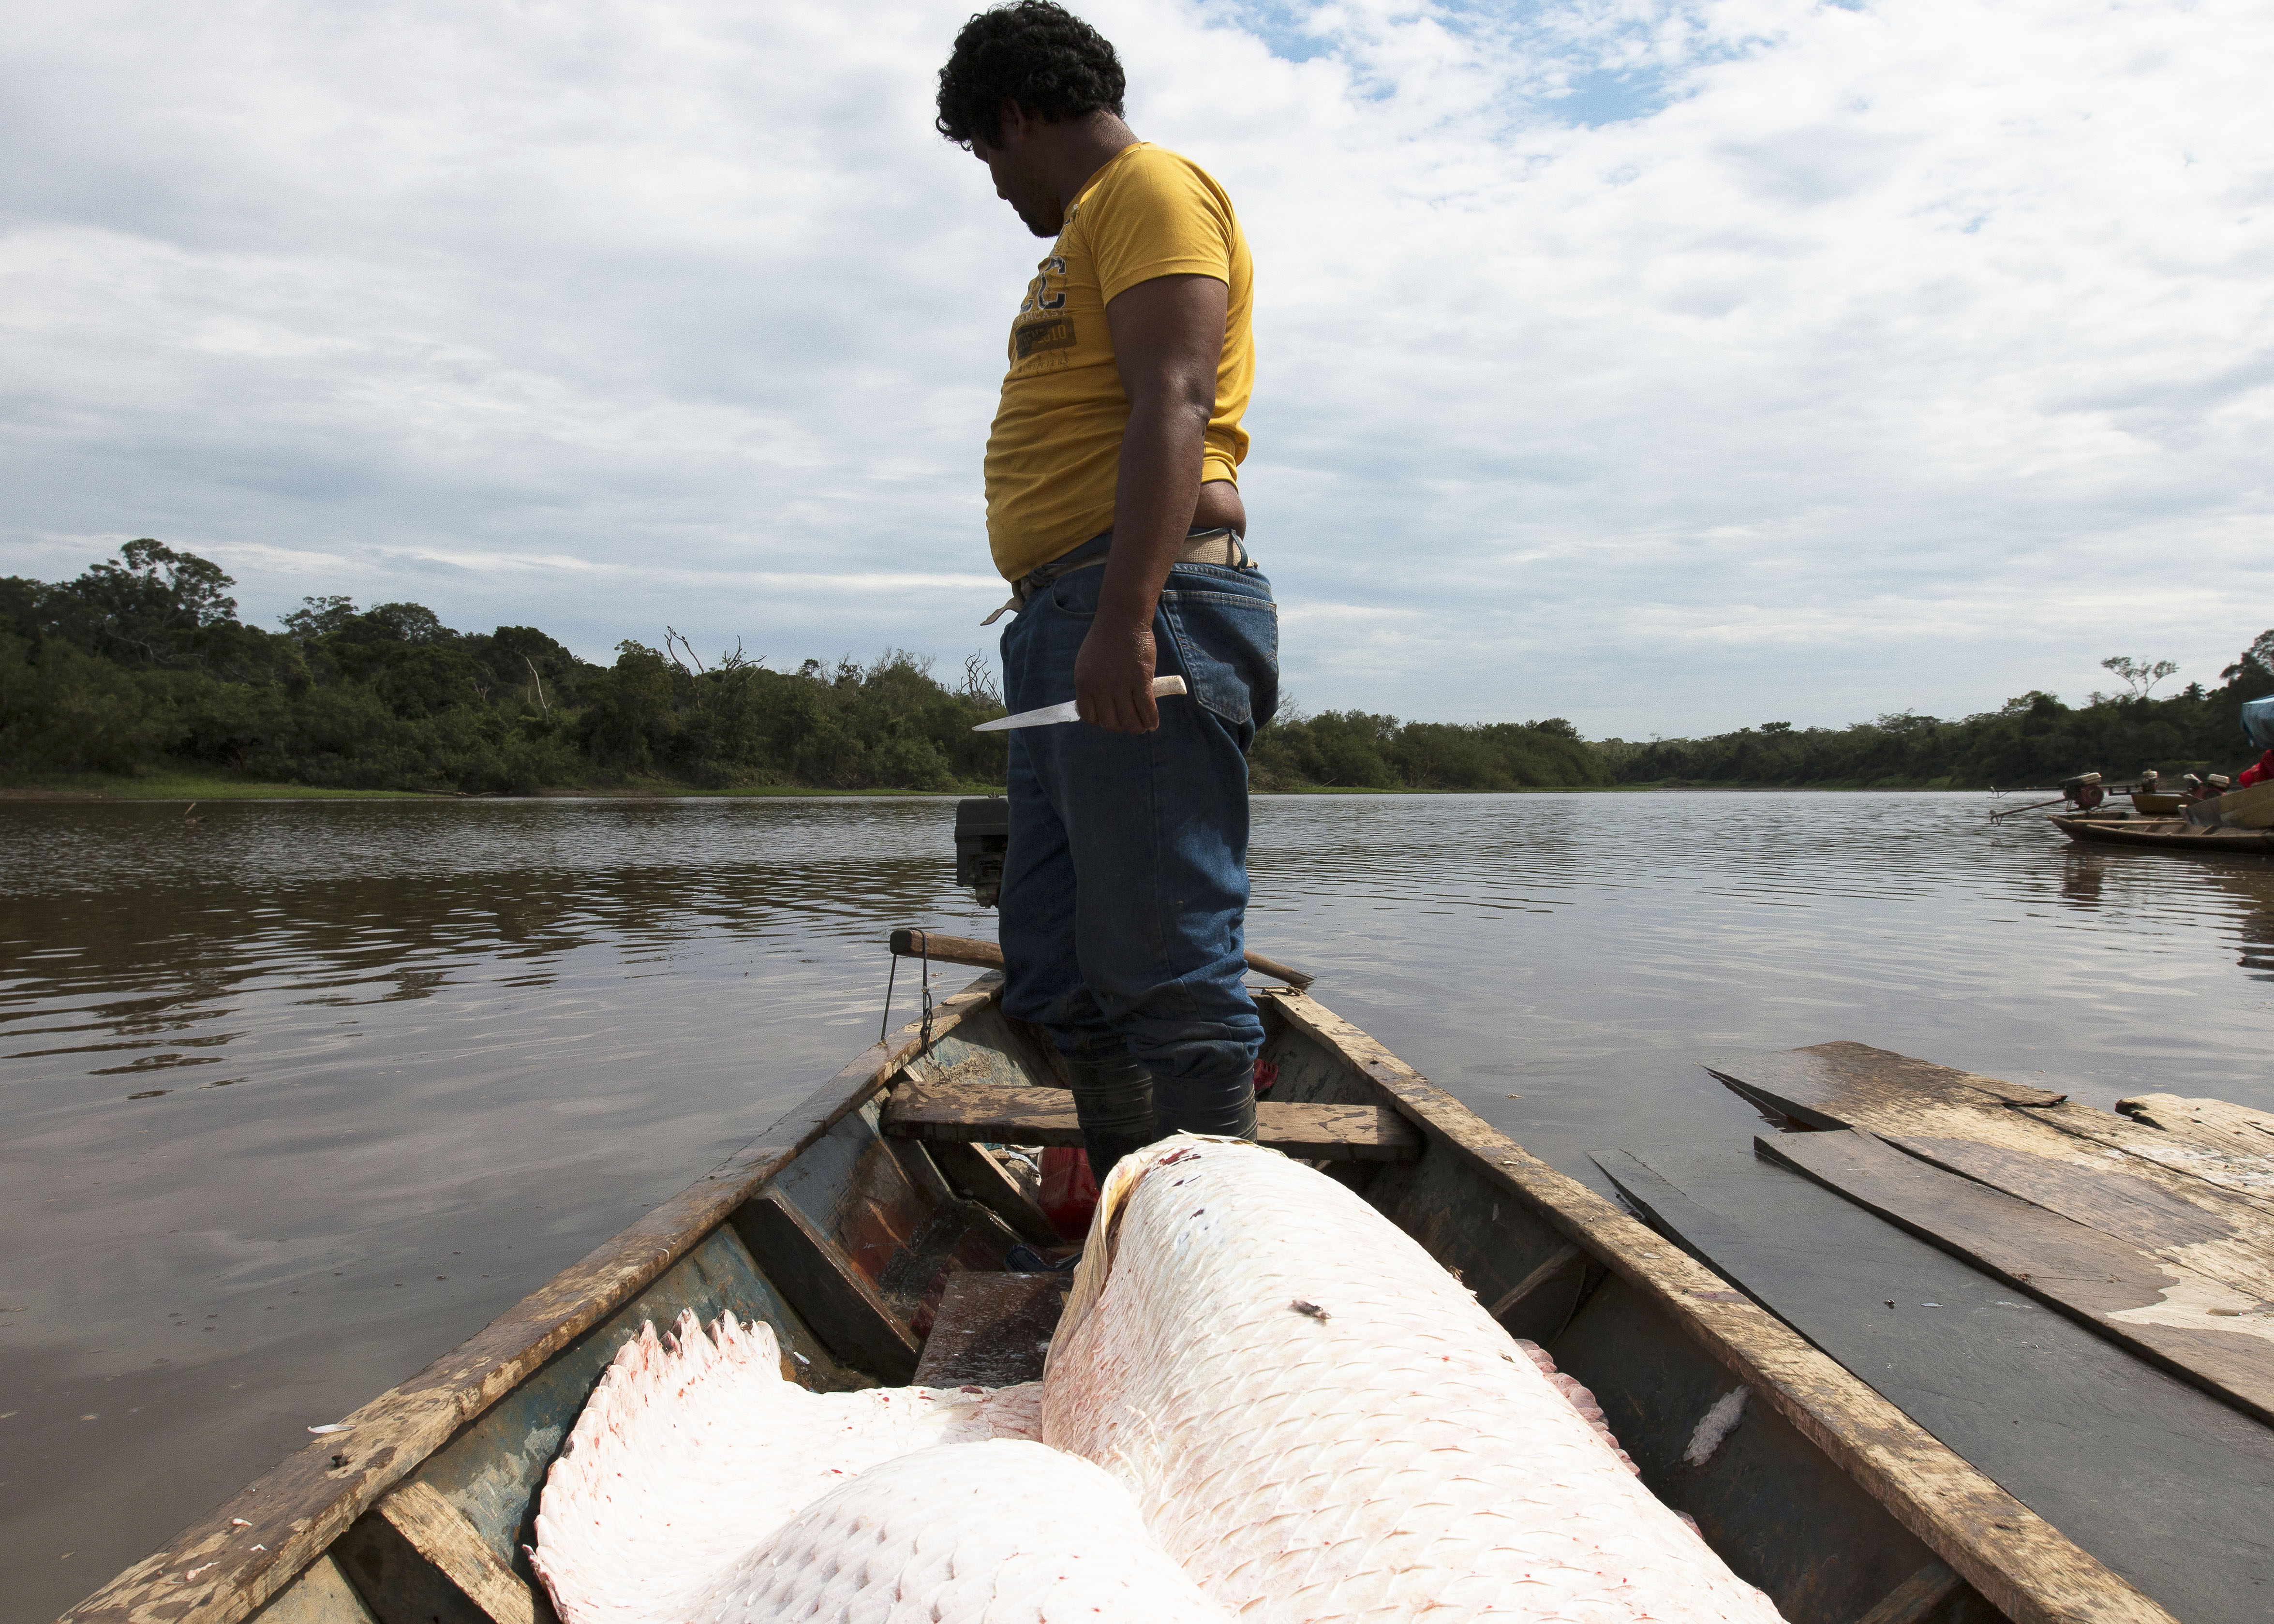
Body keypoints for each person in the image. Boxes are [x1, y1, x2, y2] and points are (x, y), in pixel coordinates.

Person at [936, 2, 1278, 1181]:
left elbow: (1173, 395)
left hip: (1141, 603)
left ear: (1020, 114)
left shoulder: (1148, 190)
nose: (992, 186)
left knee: (1165, 963)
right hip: (1065, 614)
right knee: (1053, 966)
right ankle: (1139, 1236)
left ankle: (1212, 1265)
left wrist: (1128, 617)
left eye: (987, 153)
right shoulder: (1085, 229)